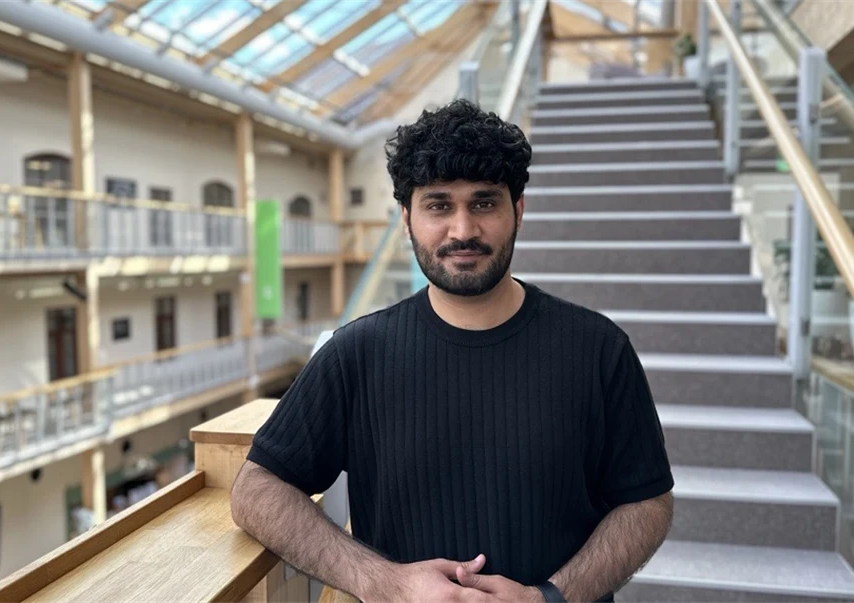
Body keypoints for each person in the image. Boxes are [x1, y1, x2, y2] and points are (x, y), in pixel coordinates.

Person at [231, 99, 674, 603]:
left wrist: (548, 598)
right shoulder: (355, 355)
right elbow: (256, 490)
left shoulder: (597, 349)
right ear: (406, 218)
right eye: (439, 205)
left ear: (518, 211)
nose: (462, 231)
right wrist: (381, 582)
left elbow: (647, 502)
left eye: (484, 202)